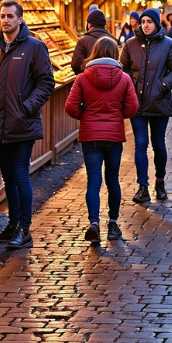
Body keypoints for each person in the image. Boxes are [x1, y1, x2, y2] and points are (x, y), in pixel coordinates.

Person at [0, 0, 56, 250]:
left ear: (20, 19)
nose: (5, 20)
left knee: (21, 176)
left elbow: (46, 82)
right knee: (8, 178)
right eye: (2, 16)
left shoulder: (35, 47)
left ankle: (25, 230)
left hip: (22, 124)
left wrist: (26, 107)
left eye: (10, 16)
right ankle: (13, 225)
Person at [65, 37, 138, 244]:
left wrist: (86, 116)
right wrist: (117, 116)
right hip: (114, 136)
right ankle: (113, 225)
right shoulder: (124, 78)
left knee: (93, 181)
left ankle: (94, 223)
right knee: (113, 180)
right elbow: (132, 108)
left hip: (91, 136)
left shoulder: (82, 78)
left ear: (94, 52)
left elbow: (70, 106)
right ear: (115, 54)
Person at [121, 8, 172, 202]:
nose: (146, 25)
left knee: (158, 144)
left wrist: (162, 86)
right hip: (137, 103)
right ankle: (142, 186)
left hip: (159, 102)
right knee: (140, 144)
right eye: (143, 21)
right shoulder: (131, 44)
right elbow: (122, 69)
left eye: (149, 21)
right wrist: (130, 88)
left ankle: (160, 181)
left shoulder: (168, 44)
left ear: (157, 23)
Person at [71, 8, 114, 75]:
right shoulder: (113, 40)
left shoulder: (83, 41)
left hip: (88, 80)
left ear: (89, 24)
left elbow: (76, 65)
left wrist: (85, 77)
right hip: (111, 81)